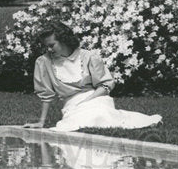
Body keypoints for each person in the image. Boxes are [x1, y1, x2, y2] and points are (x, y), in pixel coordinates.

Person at [24, 19, 162, 133]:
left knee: (101, 113)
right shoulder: (43, 62)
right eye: (46, 46)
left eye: (52, 45)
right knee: (86, 119)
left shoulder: (88, 57)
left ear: (63, 40)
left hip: (96, 98)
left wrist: (87, 100)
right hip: (72, 104)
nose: (48, 50)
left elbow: (105, 85)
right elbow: (46, 94)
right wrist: (41, 122)